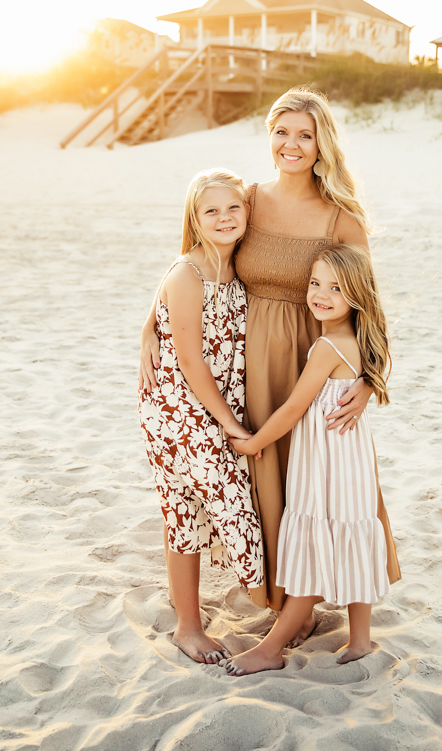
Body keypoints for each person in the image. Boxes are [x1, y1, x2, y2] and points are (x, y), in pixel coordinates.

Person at [140, 86, 398, 620]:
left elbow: (367, 304)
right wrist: (151, 325)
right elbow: (195, 256)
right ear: (269, 137)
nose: (292, 145)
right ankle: (281, 599)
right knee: (268, 477)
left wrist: (369, 379)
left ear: (322, 142)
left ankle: (317, 594)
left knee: (320, 480)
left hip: (315, 360)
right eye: (282, 132)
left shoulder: (340, 217)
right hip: (250, 361)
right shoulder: (250, 199)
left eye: (305, 135)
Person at [224, 243, 397, 675]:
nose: (320, 294)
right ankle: (359, 639)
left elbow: (292, 409)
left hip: (326, 465)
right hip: (351, 461)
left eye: (335, 288)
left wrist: (252, 442)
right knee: (353, 536)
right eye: (315, 283)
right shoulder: (361, 340)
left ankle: (272, 647)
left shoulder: (327, 347)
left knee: (314, 547)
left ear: (357, 295)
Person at [138, 168, 263, 664]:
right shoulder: (188, 273)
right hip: (176, 409)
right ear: (195, 217)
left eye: (233, 207)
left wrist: (147, 324)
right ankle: (190, 626)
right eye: (211, 210)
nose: (224, 217)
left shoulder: (237, 266)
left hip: (212, 404)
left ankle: (194, 618)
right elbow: (190, 361)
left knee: (190, 509)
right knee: (197, 508)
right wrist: (230, 424)